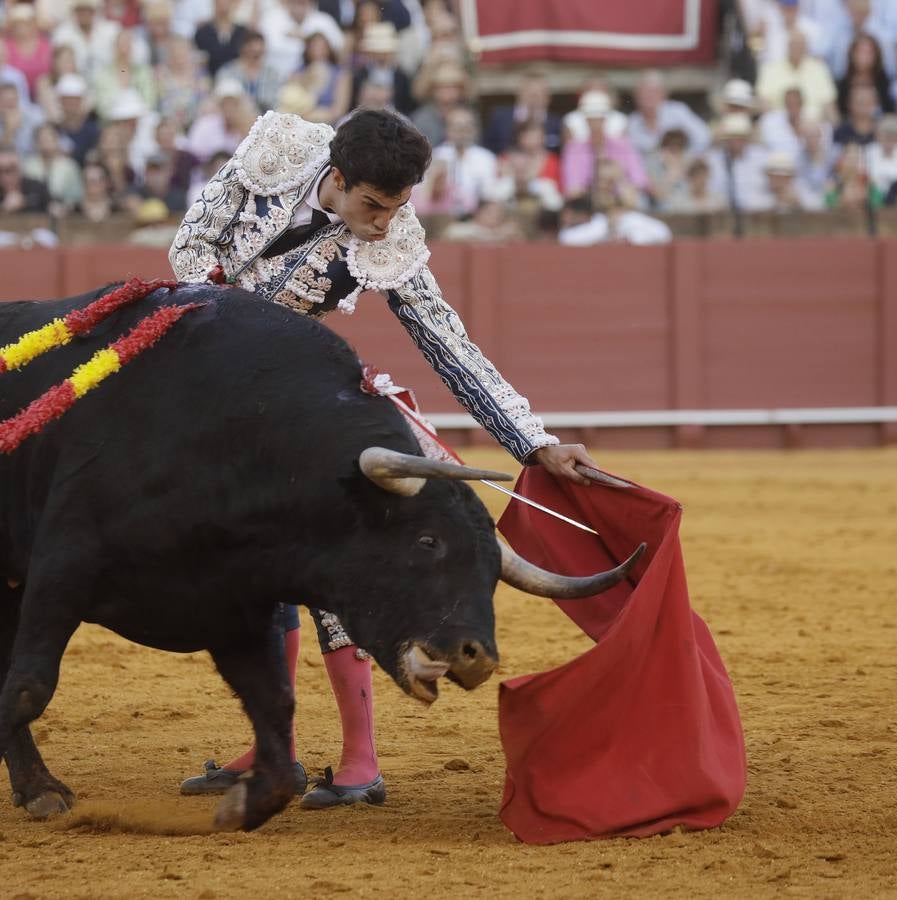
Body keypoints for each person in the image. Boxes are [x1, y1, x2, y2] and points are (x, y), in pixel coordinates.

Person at [169, 107, 598, 809]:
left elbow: (448, 345)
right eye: (372, 205)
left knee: (332, 565)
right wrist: (232, 327)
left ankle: (360, 760)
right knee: (255, 571)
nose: (383, 224)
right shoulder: (277, 149)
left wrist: (535, 441)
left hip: (297, 410)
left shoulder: (393, 237)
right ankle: (273, 747)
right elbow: (191, 244)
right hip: (220, 398)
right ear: (336, 179)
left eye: (396, 208)